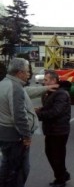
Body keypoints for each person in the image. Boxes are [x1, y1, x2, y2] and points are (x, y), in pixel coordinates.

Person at [0, 58, 58, 187]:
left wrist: (47, 88)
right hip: (16, 137)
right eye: (27, 71)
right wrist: (26, 136)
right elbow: (19, 116)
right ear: (19, 72)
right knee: (19, 170)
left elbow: (26, 93)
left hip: (6, 135)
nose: (29, 74)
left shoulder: (6, 83)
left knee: (7, 166)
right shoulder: (15, 88)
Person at [35, 70, 71, 187]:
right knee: (51, 153)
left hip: (59, 130)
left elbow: (56, 111)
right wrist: (41, 109)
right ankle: (63, 174)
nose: (44, 82)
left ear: (54, 80)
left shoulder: (61, 94)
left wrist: (38, 115)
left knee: (57, 155)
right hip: (51, 130)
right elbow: (49, 107)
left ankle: (60, 179)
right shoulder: (50, 92)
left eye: (46, 80)